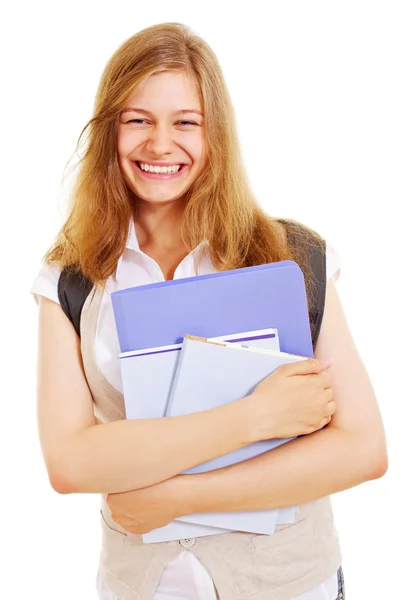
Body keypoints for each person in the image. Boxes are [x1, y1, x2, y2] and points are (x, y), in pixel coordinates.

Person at [31, 22, 387, 600]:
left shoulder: (291, 257)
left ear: (215, 134)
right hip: (144, 588)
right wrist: (255, 417)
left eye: (186, 122)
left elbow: (363, 450)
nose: (160, 145)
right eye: (138, 120)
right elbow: (70, 462)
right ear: (109, 132)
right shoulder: (71, 279)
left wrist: (177, 496)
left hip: (291, 584)